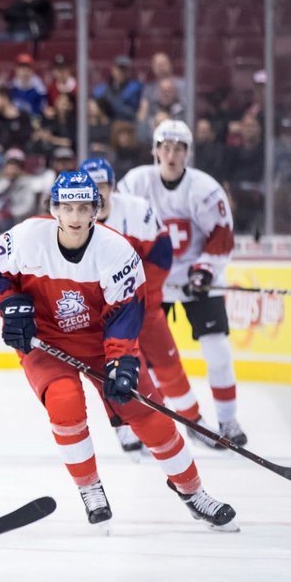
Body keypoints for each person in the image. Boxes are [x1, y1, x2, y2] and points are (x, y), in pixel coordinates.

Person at [0, 169, 237, 532]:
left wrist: (122, 360)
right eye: (68, 208)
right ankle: (90, 488)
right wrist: (9, 305)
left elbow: (125, 314)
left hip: (100, 341)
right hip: (46, 341)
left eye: (85, 208)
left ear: (96, 210)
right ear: (54, 209)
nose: (76, 217)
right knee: (65, 405)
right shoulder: (26, 237)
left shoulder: (116, 251)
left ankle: (193, 493)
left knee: (148, 413)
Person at [118, 119, 247, 446]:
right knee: (138, 355)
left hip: (194, 279)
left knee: (217, 350)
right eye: (165, 147)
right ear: (155, 150)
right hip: (150, 280)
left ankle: (228, 422)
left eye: (178, 148)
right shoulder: (135, 184)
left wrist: (204, 270)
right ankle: (144, 423)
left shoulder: (205, 189)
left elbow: (221, 237)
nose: (171, 154)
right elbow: (115, 232)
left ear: (188, 153)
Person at [80, 158, 219, 456]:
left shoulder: (136, 211)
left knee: (169, 365)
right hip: (104, 318)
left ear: (112, 186)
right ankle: (126, 428)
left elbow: (160, 255)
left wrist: (141, 294)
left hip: (143, 306)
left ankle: (194, 421)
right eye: (92, 187)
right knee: (116, 372)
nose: (98, 192)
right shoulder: (73, 221)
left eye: (102, 185)